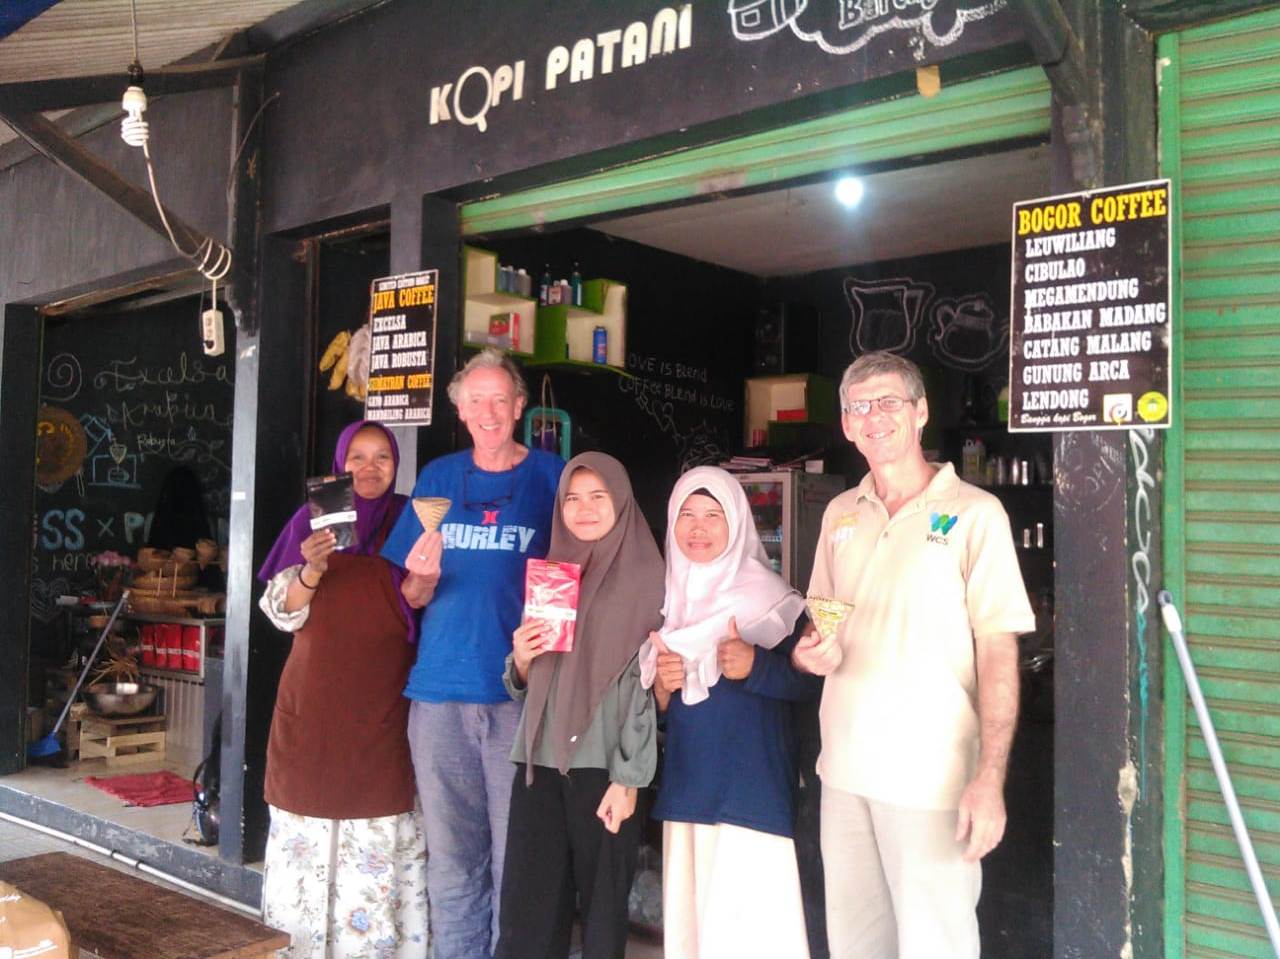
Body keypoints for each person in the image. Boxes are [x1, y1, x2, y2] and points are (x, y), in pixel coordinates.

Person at [792, 351, 1036, 959]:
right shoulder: (840, 514)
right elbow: (823, 622)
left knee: (936, 944)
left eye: (888, 402)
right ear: (846, 425)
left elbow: (998, 649)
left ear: (920, 412)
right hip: (843, 772)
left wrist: (990, 777)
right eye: (859, 407)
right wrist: (809, 655)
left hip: (932, 779)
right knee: (855, 945)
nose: (874, 417)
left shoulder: (976, 514)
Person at [380, 348, 564, 959]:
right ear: (460, 411)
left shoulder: (553, 479)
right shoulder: (437, 479)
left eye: (499, 400)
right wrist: (422, 579)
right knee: (453, 860)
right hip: (438, 696)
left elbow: (582, 574)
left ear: (520, 407)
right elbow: (411, 594)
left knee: (519, 860)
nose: (488, 412)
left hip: (521, 695)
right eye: (475, 400)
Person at [256, 420, 429, 958]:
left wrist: (422, 587)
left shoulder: (413, 521)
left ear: (397, 465)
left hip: (384, 715)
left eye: (382, 457)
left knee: (375, 847)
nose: (370, 468)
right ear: (340, 464)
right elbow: (279, 613)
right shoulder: (313, 521)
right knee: (303, 849)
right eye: (358, 457)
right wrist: (311, 569)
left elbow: (432, 609)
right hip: (312, 713)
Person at [640, 466, 820, 959]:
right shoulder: (670, 604)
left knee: (751, 937)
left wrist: (756, 665)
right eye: (687, 515)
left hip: (751, 794)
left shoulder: (774, 601)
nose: (698, 528)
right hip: (689, 790)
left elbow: (813, 686)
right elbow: (660, 715)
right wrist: (662, 689)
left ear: (737, 522)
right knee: (693, 936)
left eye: (713, 515)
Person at [495, 452, 665, 959]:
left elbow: (644, 685)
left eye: (598, 496)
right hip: (539, 764)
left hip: (606, 770)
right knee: (527, 916)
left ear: (622, 501)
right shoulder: (556, 572)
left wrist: (628, 780)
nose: (584, 508)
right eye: (572, 498)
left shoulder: (648, 579)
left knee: (601, 921)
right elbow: (529, 685)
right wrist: (521, 660)